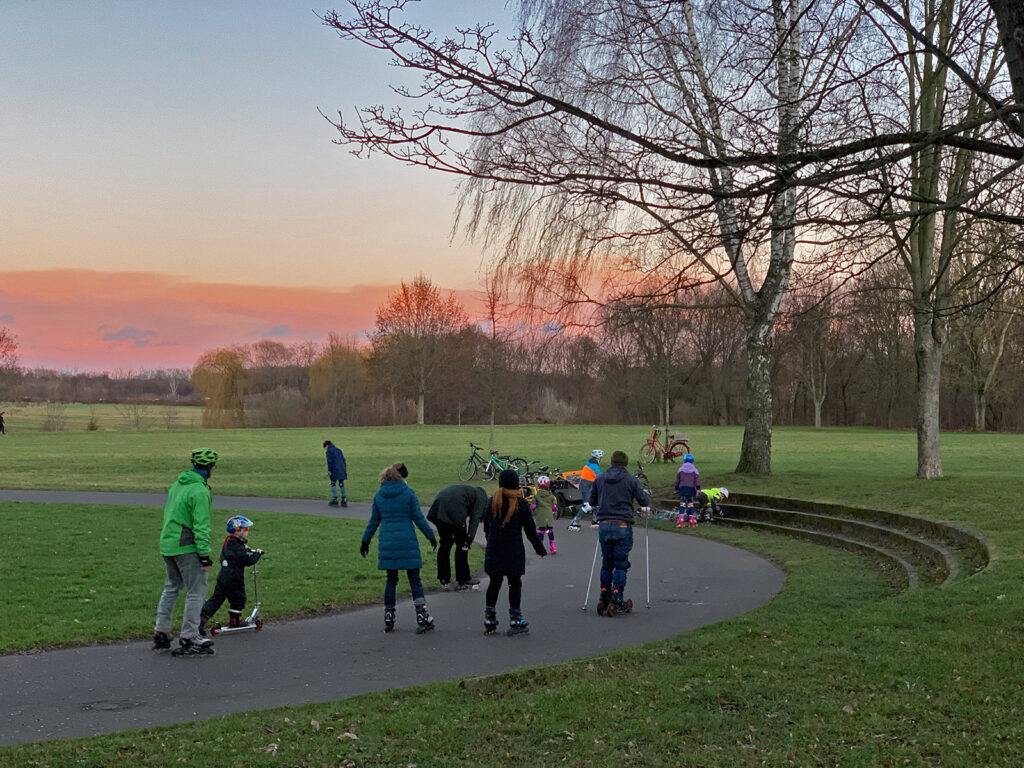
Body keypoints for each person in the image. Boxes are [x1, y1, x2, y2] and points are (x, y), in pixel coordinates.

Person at [153, 447, 219, 657]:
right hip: (187, 546)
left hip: (168, 543)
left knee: (172, 586)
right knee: (196, 591)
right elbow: (201, 525)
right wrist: (205, 554)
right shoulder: (200, 491)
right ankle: (190, 636)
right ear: (210, 467)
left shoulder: (177, 485)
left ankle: (161, 631)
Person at [360, 464, 438, 634]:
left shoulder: (379, 495)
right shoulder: (408, 493)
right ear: (400, 477)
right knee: (414, 579)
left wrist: (365, 540)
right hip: (407, 542)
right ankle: (422, 616)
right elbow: (418, 518)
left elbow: (374, 520)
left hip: (388, 543)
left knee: (391, 579)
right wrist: (430, 536)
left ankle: (389, 616)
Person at [482, 469, 547, 635]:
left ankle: (489, 617)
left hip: (495, 548)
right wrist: (540, 549)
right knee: (514, 583)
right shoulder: (522, 504)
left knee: (494, 583)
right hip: (513, 550)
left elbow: (487, 527)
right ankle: (515, 617)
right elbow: (530, 530)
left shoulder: (492, 502)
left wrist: (491, 541)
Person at [590, 450, 650, 615]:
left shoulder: (600, 478)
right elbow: (644, 501)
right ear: (625, 463)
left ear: (611, 462)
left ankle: (604, 594)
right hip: (622, 525)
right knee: (621, 564)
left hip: (604, 525)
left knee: (607, 562)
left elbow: (591, 500)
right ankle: (617, 596)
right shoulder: (631, 480)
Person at [199, 515, 263, 635]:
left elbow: (235, 552)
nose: (247, 532)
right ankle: (235, 620)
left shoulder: (229, 542)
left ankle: (201, 621)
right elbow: (247, 561)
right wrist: (257, 554)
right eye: (246, 530)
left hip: (223, 576)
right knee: (239, 598)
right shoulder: (237, 546)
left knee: (216, 599)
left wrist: (244, 548)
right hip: (234, 578)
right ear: (238, 530)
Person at [427, 484, 487, 590]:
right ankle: (463, 578)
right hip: (454, 508)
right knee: (462, 544)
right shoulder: (482, 498)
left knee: (445, 543)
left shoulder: (470, 492)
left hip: (438, 508)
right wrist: (469, 540)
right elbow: (475, 519)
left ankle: (444, 579)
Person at [567, 449, 604, 531]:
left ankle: (595, 522)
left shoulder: (591, 463)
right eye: (601, 457)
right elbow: (600, 476)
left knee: (596, 503)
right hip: (586, 487)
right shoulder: (594, 466)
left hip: (589, 486)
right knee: (587, 506)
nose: (601, 459)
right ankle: (574, 523)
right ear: (598, 458)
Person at [531, 475, 558, 554]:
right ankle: (552, 546)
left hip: (540, 517)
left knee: (541, 531)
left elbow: (533, 507)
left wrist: (532, 510)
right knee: (550, 530)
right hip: (549, 517)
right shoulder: (551, 496)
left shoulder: (536, 496)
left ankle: (541, 547)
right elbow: (554, 508)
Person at [674, 453, 700, 528]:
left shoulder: (680, 469)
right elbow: (697, 481)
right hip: (691, 490)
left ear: (684, 460)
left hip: (682, 489)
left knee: (682, 504)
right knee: (690, 504)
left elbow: (677, 481)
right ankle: (692, 521)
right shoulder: (695, 470)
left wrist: (676, 489)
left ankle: (680, 520)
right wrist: (698, 489)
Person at [323, 440, 348, 507]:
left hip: (334, 469)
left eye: (325, 447)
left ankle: (335, 499)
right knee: (341, 484)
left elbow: (329, 461)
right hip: (342, 468)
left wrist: (329, 470)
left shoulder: (329, 451)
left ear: (327, 445)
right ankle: (344, 499)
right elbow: (343, 460)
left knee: (333, 483)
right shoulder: (339, 450)